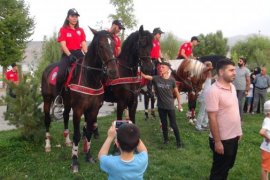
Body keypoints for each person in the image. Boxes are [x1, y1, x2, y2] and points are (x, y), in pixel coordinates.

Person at [205, 59, 242, 179]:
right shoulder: (213, 91)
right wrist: (217, 142)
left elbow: (234, 110)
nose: (234, 73)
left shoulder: (232, 87)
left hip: (234, 136)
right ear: (221, 72)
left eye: (235, 70)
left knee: (227, 166)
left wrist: (239, 131)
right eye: (231, 70)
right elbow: (212, 117)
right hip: (222, 140)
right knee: (218, 171)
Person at [141, 61, 184, 148]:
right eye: (160, 67)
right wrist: (139, 70)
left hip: (170, 106)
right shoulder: (156, 78)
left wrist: (179, 104)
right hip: (161, 107)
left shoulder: (172, 80)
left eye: (163, 67)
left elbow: (177, 93)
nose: (161, 69)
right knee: (164, 124)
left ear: (168, 69)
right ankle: (166, 140)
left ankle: (179, 142)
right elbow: (145, 76)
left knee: (173, 124)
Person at [56, 8, 87, 100]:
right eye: (72, 16)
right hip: (67, 54)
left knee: (89, 69)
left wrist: (86, 54)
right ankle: (59, 96)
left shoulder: (80, 30)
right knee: (61, 74)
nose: (75, 18)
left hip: (79, 53)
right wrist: (69, 55)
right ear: (68, 18)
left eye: (76, 16)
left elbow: (84, 44)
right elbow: (63, 45)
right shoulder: (63, 30)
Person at [107, 19, 125, 106]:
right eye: (119, 28)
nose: (119, 30)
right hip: (106, 60)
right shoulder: (105, 34)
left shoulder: (117, 38)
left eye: (121, 29)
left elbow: (118, 49)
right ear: (114, 25)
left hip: (114, 60)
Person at [195, 61, 213, 131]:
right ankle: (198, 126)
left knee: (206, 110)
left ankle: (204, 124)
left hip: (208, 94)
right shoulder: (204, 72)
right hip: (204, 94)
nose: (211, 66)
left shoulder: (208, 73)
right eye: (210, 65)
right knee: (202, 110)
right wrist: (206, 65)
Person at [259, 100, 270, 180]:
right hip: (267, 149)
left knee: (267, 167)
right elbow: (262, 132)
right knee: (265, 168)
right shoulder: (268, 121)